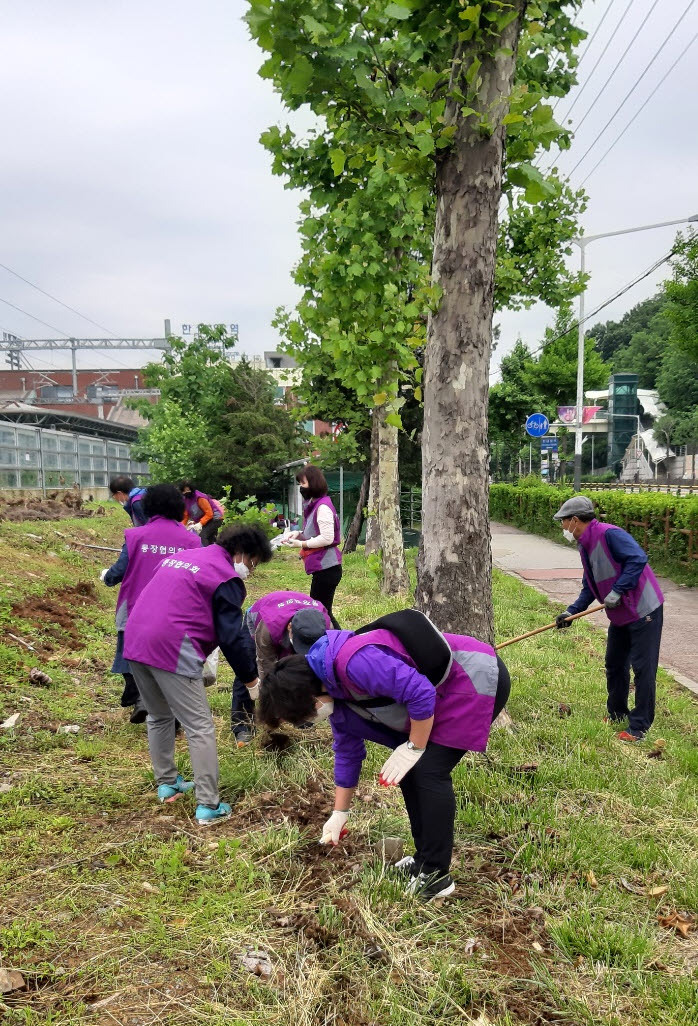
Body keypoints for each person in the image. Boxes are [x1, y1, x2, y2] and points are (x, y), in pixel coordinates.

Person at [258, 610, 511, 901]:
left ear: (310, 698)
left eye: (302, 716)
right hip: (444, 692)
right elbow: (347, 753)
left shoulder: (354, 663)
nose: (309, 721)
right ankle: (424, 860)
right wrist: (339, 813)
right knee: (410, 773)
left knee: (427, 771)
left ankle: (436, 875)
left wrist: (414, 747)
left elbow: (420, 693)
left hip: (474, 678)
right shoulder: (335, 694)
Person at [124, 525, 272, 823]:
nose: (251, 571)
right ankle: (209, 804)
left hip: (135, 639)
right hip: (171, 646)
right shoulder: (225, 577)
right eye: (253, 564)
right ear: (243, 553)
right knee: (199, 726)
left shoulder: (186, 557)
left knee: (159, 715)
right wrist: (251, 680)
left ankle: (167, 784)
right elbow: (232, 637)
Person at [553, 495, 664, 743]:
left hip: (644, 609)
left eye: (563, 522)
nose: (562, 527)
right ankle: (616, 713)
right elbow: (589, 587)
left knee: (643, 669)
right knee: (614, 664)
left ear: (574, 520)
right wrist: (572, 612)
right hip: (621, 614)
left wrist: (618, 590)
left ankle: (639, 727)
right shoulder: (585, 545)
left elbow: (638, 558)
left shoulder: (609, 534)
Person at [101, 484, 201, 722]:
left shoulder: (136, 535)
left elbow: (120, 570)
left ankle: (141, 698)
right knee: (171, 656)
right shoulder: (191, 540)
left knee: (128, 652)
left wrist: (107, 577)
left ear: (148, 506)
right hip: (176, 609)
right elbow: (200, 574)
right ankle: (172, 706)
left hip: (135, 605)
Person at [231, 591, 332, 746]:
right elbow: (266, 668)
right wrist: (269, 706)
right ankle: (242, 725)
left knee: (301, 671)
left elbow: (321, 668)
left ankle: (300, 716)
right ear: (290, 627)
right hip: (259, 618)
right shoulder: (267, 628)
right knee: (248, 670)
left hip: (291, 618)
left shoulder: (326, 626)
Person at [282, 464, 342, 628]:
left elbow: (327, 538)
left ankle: (340, 643)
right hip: (323, 569)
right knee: (322, 610)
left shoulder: (322, 507)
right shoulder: (315, 504)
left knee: (321, 612)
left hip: (328, 569)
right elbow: (314, 530)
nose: (301, 488)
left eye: (303, 484)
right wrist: (298, 533)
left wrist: (301, 543)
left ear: (313, 483)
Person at [179, 480, 225, 546]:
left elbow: (209, 513)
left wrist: (200, 523)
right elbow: (186, 516)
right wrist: (181, 527)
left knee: (202, 536)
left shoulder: (200, 498)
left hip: (215, 518)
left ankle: (205, 554)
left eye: (188, 490)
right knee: (210, 539)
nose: (186, 492)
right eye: (184, 491)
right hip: (205, 521)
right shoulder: (185, 500)